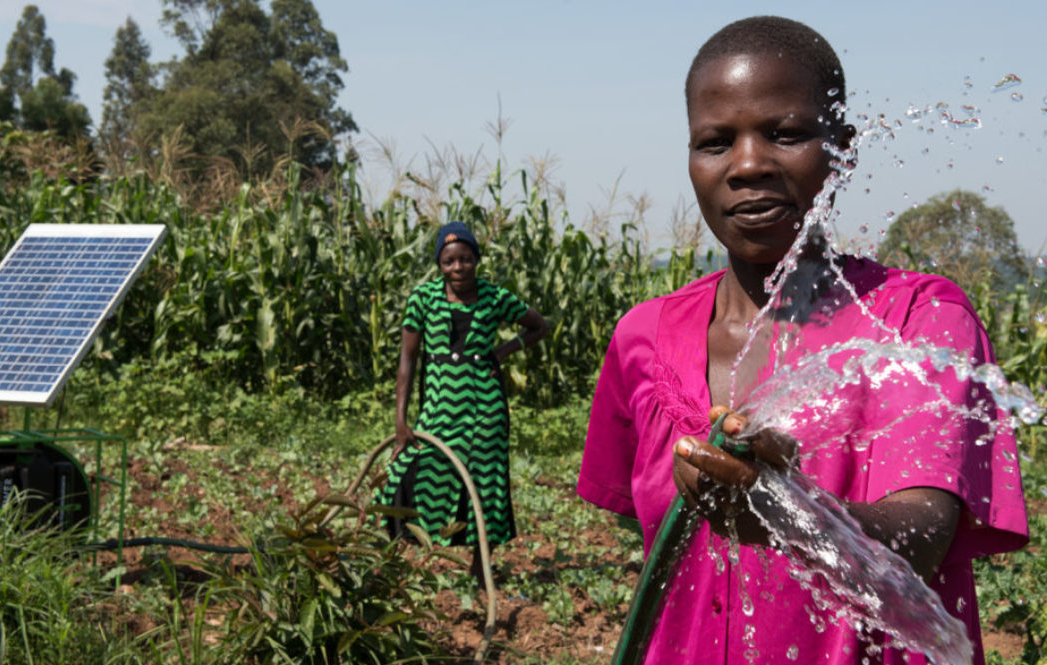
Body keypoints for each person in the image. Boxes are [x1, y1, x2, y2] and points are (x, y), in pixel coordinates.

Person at [577, 16, 1028, 665]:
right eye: (715, 142)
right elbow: (642, 524)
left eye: (784, 134)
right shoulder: (641, 337)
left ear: (841, 147)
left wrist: (789, 508)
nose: (749, 164)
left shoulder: (911, 322)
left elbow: (926, 530)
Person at [383, 221, 548, 582]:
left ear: (476, 259)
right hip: (439, 405)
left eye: (465, 259)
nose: (458, 268)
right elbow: (407, 362)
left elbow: (539, 325)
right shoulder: (423, 299)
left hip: (485, 407)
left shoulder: (495, 297)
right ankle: (399, 555)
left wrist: (502, 352)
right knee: (406, 468)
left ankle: (479, 565)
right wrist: (400, 423)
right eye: (449, 261)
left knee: (484, 481)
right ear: (439, 265)